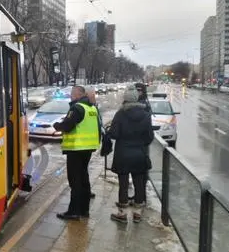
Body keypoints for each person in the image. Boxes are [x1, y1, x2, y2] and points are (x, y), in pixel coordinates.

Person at [53, 85, 100, 220]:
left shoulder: (77, 108)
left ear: (79, 94)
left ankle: (74, 211)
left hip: (76, 149)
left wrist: (57, 125)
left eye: (73, 93)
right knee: (84, 178)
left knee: (75, 181)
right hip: (88, 148)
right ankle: (84, 210)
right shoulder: (91, 108)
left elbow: (67, 126)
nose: (71, 96)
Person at [108, 89, 154, 224]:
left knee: (123, 184)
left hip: (123, 153)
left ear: (126, 99)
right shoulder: (146, 115)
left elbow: (114, 134)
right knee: (139, 183)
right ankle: (138, 213)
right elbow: (149, 137)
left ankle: (122, 213)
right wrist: (140, 145)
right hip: (139, 153)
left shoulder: (120, 114)